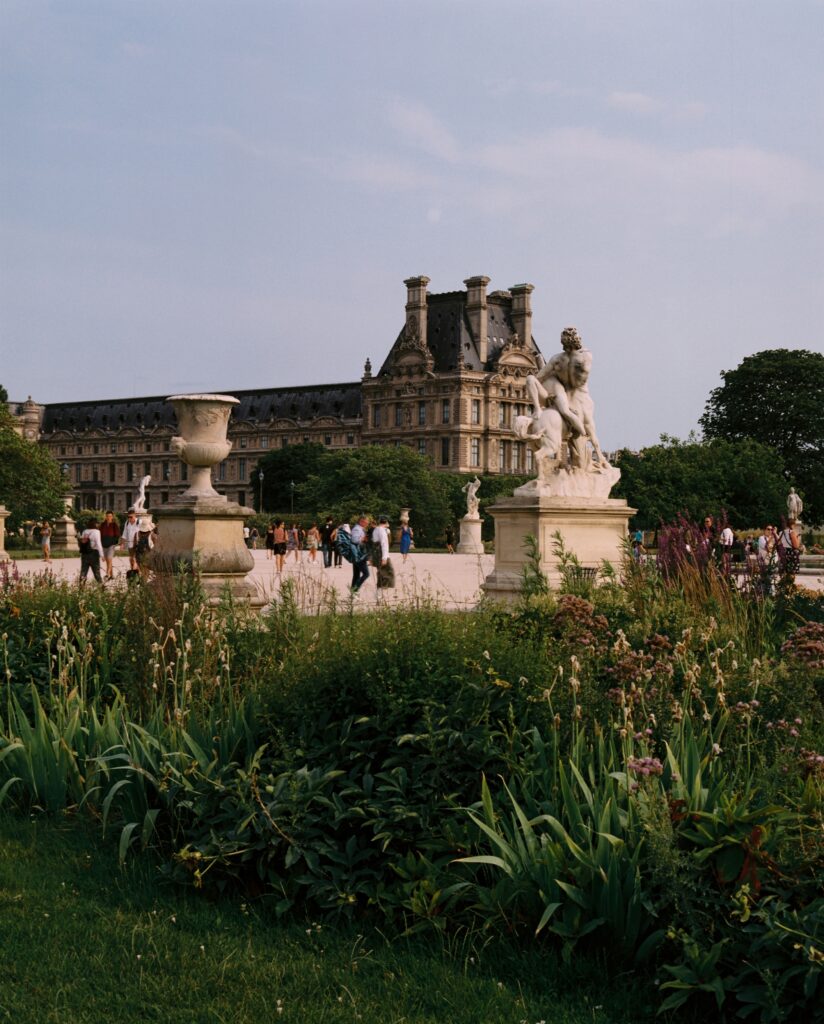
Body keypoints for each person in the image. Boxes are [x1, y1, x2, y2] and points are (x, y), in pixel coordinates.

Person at [79, 517, 104, 583]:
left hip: (84, 553)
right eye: (97, 523)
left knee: (83, 572)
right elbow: (98, 544)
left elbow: (82, 542)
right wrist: (102, 555)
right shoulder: (97, 532)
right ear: (95, 524)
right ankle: (102, 588)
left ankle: (81, 588)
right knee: (96, 572)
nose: (98, 525)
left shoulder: (85, 531)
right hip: (94, 553)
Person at [372, 515, 394, 590]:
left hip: (376, 553)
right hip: (381, 554)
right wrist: (384, 557)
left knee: (381, 573)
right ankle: (381, 594)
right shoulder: (382, 530)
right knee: (389, 573)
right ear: (386, 522)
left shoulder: (376, 529)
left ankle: (379, 593)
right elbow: (384, 544)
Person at [350, 514, 370, 592]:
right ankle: (355, 590)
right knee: (366, 574)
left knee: (356, 574)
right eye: (366, 522)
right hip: (358, 554)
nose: (367, 524)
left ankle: (353, 593)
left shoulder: (361, 529)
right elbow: (354, 540)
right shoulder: (357, 529)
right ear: (361, 521)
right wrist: (364, 539)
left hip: (358, 554)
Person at [99, 510, 120, 580]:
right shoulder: (102, 525)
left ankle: (107, 574)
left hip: (111, 545)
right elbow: (99, 534)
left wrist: (114, 542)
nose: (109, 517)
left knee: (109, 559)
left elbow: (117, 535)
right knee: (108, 561)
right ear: (105, 517)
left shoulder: (114, 525)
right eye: (107, 516)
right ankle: (112, 575)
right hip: (104, 544)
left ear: (112, 517)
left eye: (110, 516)